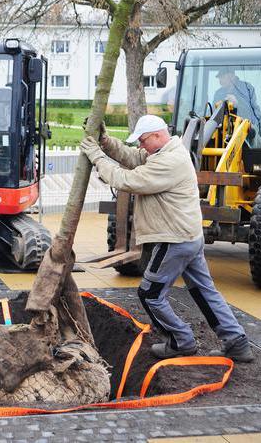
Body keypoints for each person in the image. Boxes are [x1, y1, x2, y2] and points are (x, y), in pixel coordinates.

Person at [80, 115, 254, 362]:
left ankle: (180, 341)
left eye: (142, 140)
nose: (140, 145)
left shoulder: (169, 161)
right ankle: (236, 342)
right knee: (205, 292)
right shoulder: (162, 152)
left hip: (175, 240)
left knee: (149, 293)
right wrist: (105, 142)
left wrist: (96, 156)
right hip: (188, 237)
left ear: (157, 136)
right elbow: (131, 157)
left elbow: (126, 179)